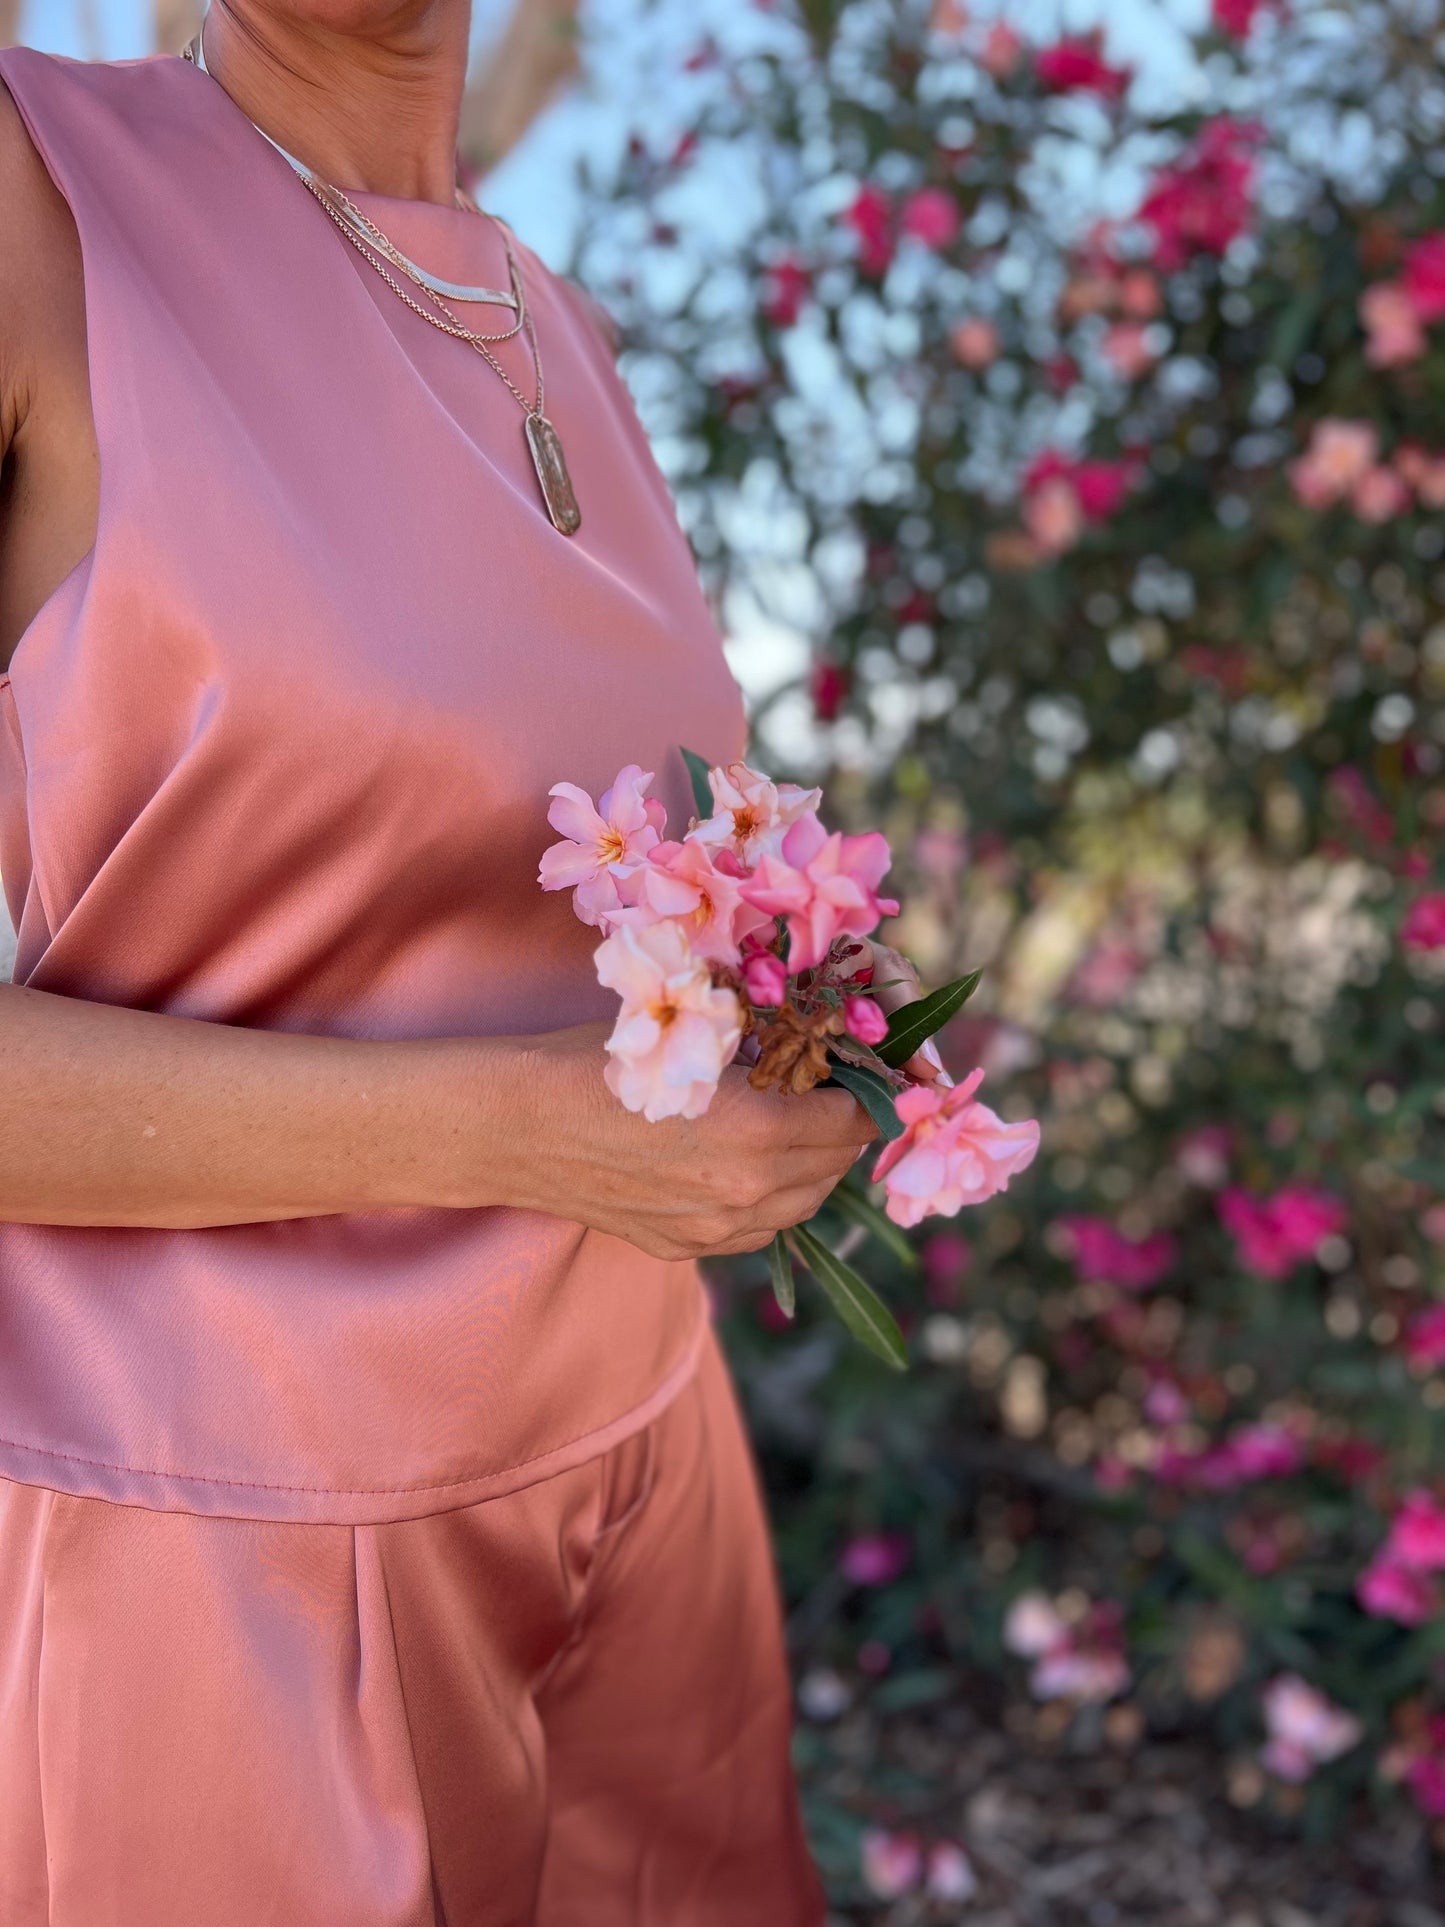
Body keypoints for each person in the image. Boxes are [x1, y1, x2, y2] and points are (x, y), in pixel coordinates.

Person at [0, 3, 943, 1920]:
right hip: (243, 1563)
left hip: (640, 1476)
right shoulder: (35, 189)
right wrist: (521, 1133)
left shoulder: (548, 317)